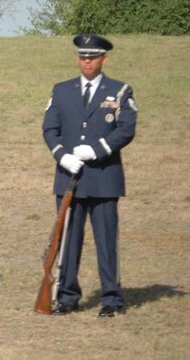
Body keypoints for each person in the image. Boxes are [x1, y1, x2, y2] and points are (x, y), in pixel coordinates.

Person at [42, 34, 136, 317]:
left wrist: (97, 150)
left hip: (104, 177)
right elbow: (49, 129)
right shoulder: (61, 91)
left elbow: (125, 128)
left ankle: (111, 298)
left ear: (103, 59)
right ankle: (68, 296)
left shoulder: (119, 91)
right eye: (83, 57)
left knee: (106, 241)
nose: (87, 62)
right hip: (69, 177)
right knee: (68, 240)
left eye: (92, 57)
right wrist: (62, 155)